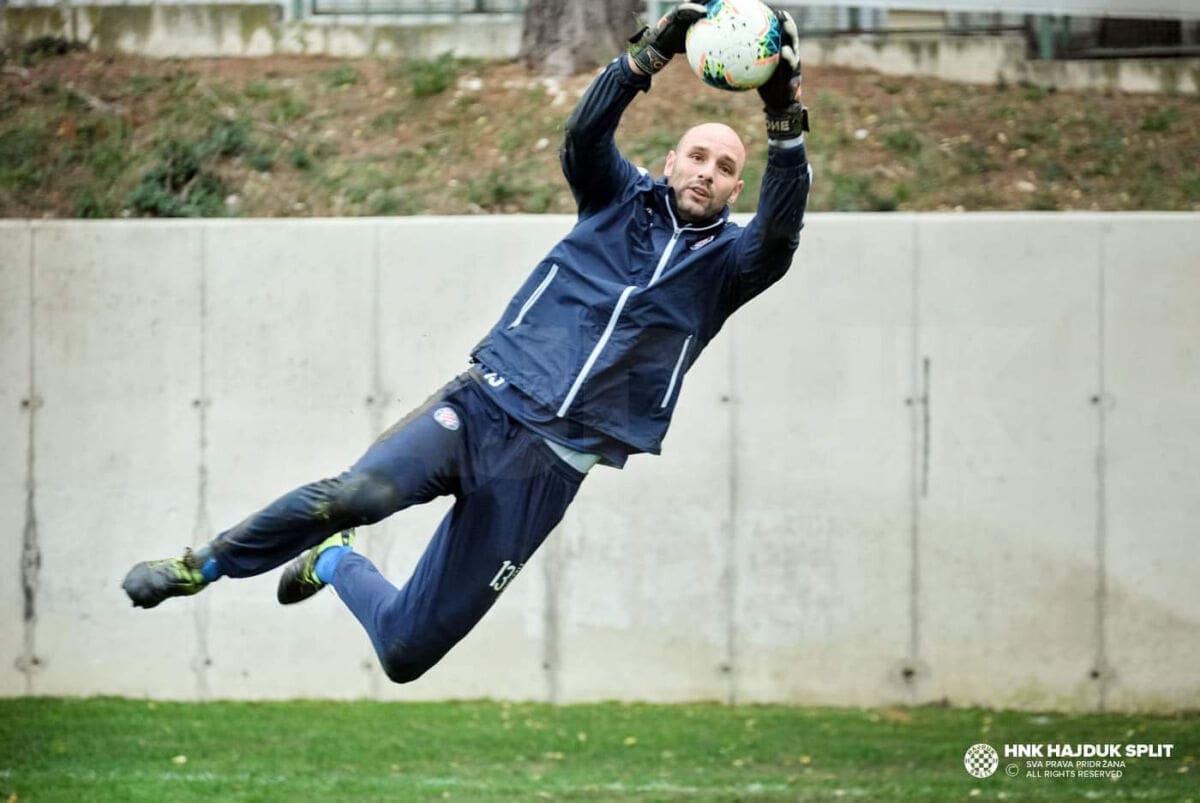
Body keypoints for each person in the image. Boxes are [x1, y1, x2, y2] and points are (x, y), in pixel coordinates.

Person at [122, 4, 812, 685]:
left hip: (548, 469)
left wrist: (784, 118)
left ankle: (332, 561)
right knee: (358, 492)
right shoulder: (615, 198)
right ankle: (201, 564)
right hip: (481, 408)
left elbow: (779, 235)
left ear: (733, 187)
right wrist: (643, 59)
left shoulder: (729, 267)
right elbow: (584, 133)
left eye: (723, 166)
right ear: (670, 161)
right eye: (696, 155)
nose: (706, 171)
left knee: (403, 651)